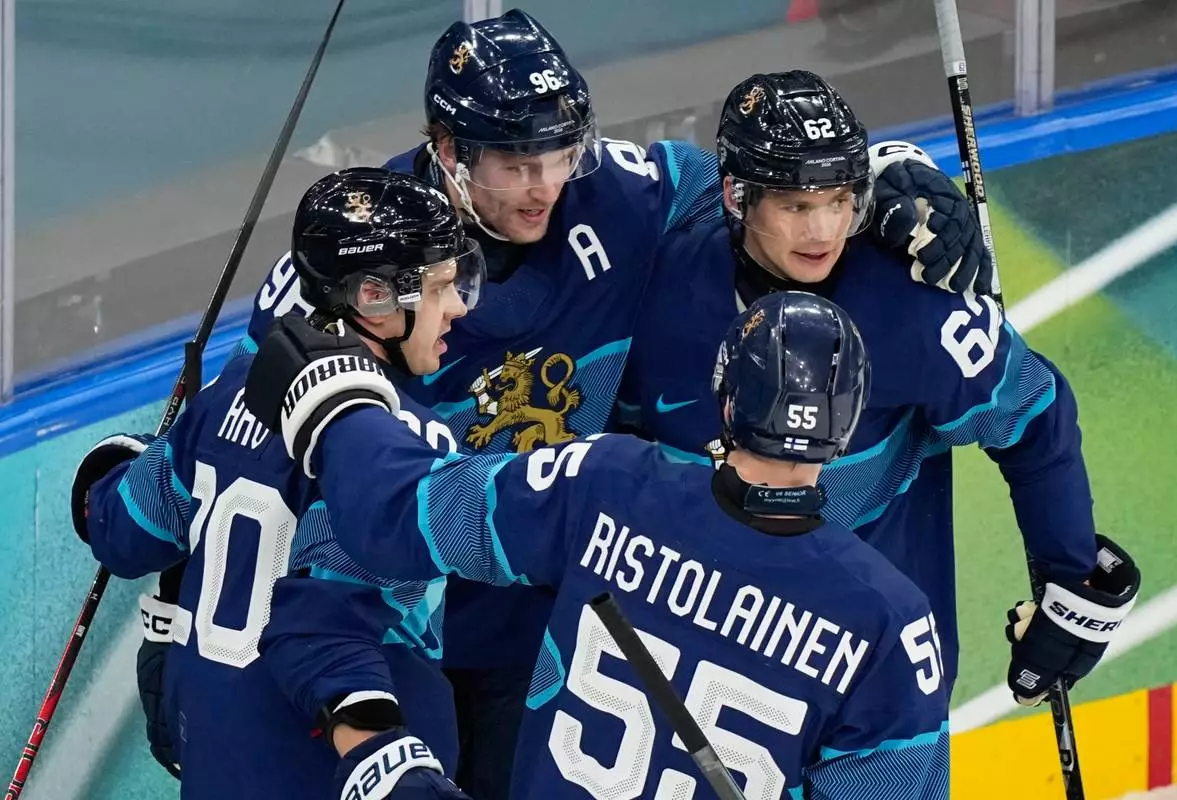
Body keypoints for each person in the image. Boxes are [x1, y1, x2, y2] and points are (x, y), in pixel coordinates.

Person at [147, 11, 995, 794]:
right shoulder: (342, 267)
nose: (545, 185)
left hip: (540, 624)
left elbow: (759, 190)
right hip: (379, 623)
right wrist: (169, 605)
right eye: (516, 163)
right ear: (447, 148)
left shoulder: (625, 195)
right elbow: (237, 458)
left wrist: (882, 174)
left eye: (561, 154)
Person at [244, 290, 952, 800]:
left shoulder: (611, 481)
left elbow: (406, 515)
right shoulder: (892, 623)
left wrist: (338, 407)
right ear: (849, 420)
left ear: (726, 396)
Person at [621, 69, 1142, 702]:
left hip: (873, 673)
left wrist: (1069, 582)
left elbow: (1035, 417)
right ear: (736, 197)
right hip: (701, 662)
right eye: (795, 205)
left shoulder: (915, 305)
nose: (822, 233)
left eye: (839, 200)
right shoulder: (657, 287)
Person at [69, 168, 483, 798]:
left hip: (214, 751)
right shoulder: (398, 453)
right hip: (327, 767)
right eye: (440, 288)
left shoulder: (225, 394)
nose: (457, 306)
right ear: (373, 297)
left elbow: (126, 529)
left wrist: (103, 481)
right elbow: (331, 631)